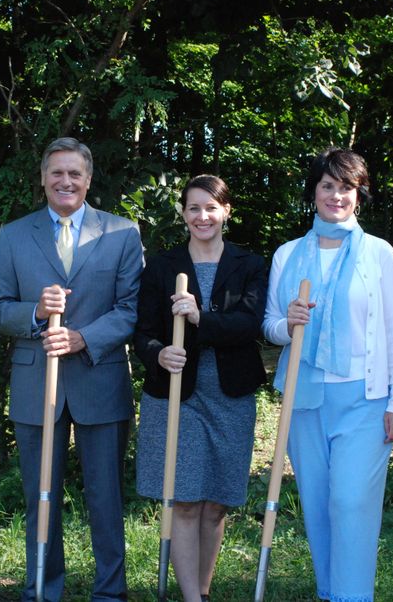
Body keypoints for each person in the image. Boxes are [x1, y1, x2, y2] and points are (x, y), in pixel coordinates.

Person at [0, 137, 144, 601]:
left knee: (105, 496)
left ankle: (110, 592)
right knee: (41, 495)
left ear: (89, 179)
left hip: (101, 376)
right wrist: (35, 313)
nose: (66, 181)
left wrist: (83, 337)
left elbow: (131, 309)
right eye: (57, 172)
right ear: (43, 178)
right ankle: (42, 588)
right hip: (37, 379)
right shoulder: (15, 234)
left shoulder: (121, 232)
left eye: (75, 173)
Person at [262, 148, 393, 602]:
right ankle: (331, 592)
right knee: (320, 507)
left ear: (358, 195)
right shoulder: (288, 255)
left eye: (346, 187)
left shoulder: (378, 254)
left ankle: (353, 596)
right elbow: (269, 326)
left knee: (351, 504)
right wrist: (289, 323)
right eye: (327, 185)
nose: (336, 195)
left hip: (364, 402)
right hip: (303, 401)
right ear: (314, 193)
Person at [133, 175, 267, 602]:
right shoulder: (161, 265)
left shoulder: (250, 265)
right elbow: (143, 332)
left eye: (210, 207)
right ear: (183, 214)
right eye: (193, 208)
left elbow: (249, 324)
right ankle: (192, 598)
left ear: (226, 210)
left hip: (231, 396)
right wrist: (158, 353)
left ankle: (202, 590)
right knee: (186, 500)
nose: (202, 216)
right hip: (177, 395)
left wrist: (198, 319)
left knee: (216, 503)